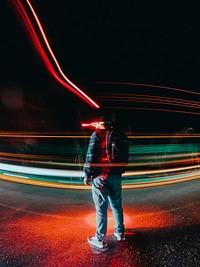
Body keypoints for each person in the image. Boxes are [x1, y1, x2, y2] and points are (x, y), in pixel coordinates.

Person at [83, 115, 129, 249]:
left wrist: (87, 174)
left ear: (100, 124)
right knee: (117, 206)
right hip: (116, 175)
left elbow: (90, 155)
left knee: (101, 209)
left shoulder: (96, 135)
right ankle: (120, 233)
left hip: (100, 176)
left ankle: (100, 239)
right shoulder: (120, 135)